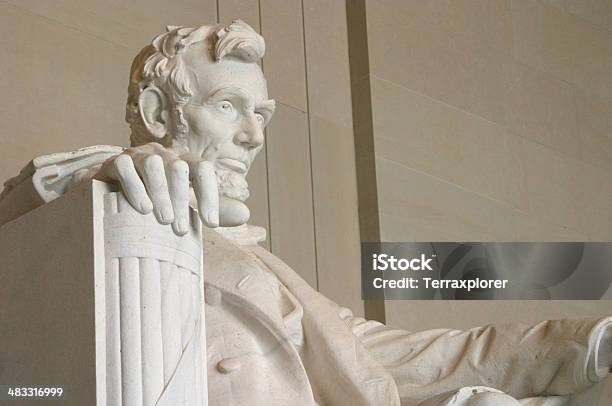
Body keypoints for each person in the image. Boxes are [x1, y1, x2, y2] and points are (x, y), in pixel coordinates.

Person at [1, 20, 610, 406]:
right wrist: (97, 174)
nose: (252, 137)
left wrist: (588, 343)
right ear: (161, 114)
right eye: (228, 107)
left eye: (260, 115)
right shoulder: (102, 189)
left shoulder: (272, 277)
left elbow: (419, 357)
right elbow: (17, 228)